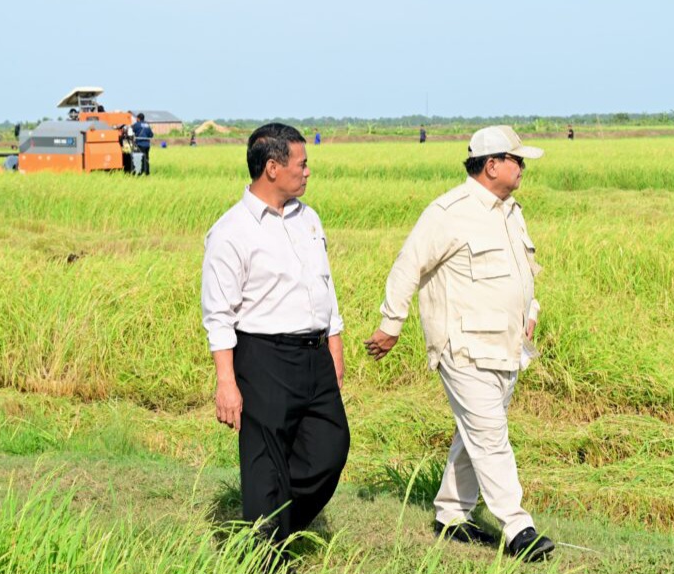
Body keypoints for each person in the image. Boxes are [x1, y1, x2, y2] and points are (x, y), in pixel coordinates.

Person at [364, 125, 554, 562]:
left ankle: (451, 515)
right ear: (492, 165)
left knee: (475, 433)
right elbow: (407, 266)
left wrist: (530, 313)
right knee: (490, 435)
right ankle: (518, 527)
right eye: (516, 160)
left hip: (506, 345)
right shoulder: (448, 212)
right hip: (463, 346)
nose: (522, 167)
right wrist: (391, 324)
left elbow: (523, 272)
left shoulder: (511, 211)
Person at [202, 123, 350, 545]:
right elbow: (218, 315)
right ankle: (265, 553)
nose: (307, 172)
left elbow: (325, 286)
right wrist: (226, 382)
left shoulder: (309, 219)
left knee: (330, 448)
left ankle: (275, 527)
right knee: (265, 462)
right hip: (263, 357)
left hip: (315, 354)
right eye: (301, 164)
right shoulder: (231, 231)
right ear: (272, 167)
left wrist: (334, 346)